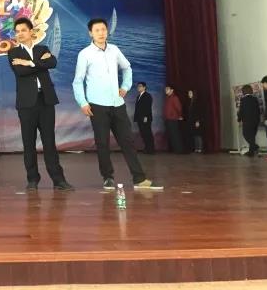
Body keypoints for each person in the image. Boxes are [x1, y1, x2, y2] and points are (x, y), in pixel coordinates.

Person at [73, 18, 162, 190]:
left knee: (127, 141)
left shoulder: (114, 50)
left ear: (107, 31)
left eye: (103, 29)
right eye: (97, 30)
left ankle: (139, 178)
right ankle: (107, 177)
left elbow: (127, 67)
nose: (101, 33)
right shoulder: (85, 54)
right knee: (102, 143)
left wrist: (125, 86)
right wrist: (82, 102)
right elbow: (78, 81)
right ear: (90, 33)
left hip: (117, 104)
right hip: (97, 106)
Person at [8, 18, 73, 191]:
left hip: (45, 101)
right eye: (17, 31)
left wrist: (29, 62)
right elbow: (21, 72)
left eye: (23, 30)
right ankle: (32, 179)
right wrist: (39, 64)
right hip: (26, 103)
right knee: (28, 143)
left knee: (49, 142)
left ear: (31, 32)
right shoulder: (13, 53)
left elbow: (52, 63)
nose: (20, 34)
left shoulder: (42, 49)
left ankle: (58, 180)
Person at [238, 85, 260, 157]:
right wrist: (258, 120)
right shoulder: (255, 99)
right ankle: (251, 152)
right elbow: (258, 110)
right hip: (256, 121)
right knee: (252, 136)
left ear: (243, 91)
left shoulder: (243, 100)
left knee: (245, 134)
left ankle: (255, 146)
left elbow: (241, 111)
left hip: (247, 121)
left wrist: (239, 119)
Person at [133, 82, 154, 154]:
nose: (138, 87)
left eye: (140, 86)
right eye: (138, 86)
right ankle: (147, 148)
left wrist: (146, 117)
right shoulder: (139, 96)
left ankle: (151, 150)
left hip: (145, 118)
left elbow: (148, 107)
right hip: (140, 118)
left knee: (147, 133)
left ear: (144, 87)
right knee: (143, 134)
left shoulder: (147, 96)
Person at [164, 85, 184, 154]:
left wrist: (179, 116)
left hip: (173, 119)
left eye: (167, 89)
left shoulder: (174, 98)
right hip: (168, 119)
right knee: (171, 135)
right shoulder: (167, 98)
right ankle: (175, 149)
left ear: (172, 90)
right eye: (165, 89)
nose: (166, 90)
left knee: (175, 134)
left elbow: (179, 108)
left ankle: (179, 150)